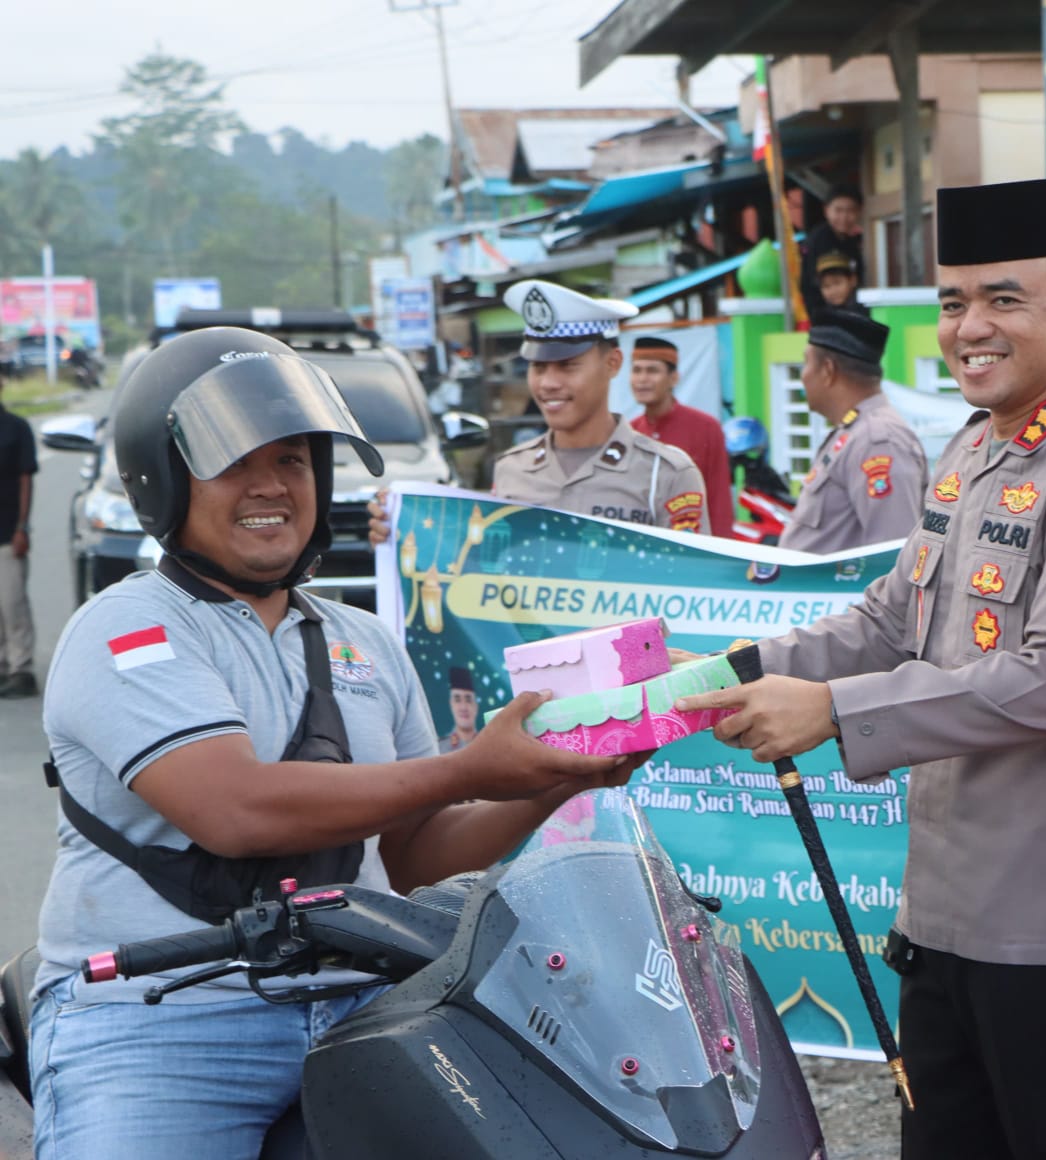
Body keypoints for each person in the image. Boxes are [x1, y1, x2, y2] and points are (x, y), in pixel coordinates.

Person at [28, 326, 643, 1159]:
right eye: (232, 462)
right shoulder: (129, 628)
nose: (270, 486)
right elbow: (235, 810)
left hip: (362, 1004)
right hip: (161, 1013)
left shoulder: (367, 643)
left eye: (292, 460)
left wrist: (553, 779)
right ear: (164, 481)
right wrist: (470, 768)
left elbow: (413, 856)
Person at [678, 178, 1046, 1159]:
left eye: (1002, 299)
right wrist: (727, 669)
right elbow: (890, 617)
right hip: (937, 917)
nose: (969, 327)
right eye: (952, 301)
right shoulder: (971, 446)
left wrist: (830, 710)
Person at [492, 280, 707, 533]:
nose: (548, 383)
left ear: (612, 363)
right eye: (538, 367)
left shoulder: (665, 475)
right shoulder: (511, 470)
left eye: (568, 365)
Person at [778, 309, 928, 554]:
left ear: (828, 370)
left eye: (806, 363)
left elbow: (892, 556)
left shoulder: (878, 441)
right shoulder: (855, 433)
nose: (802, 376)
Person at [628, 335, 735, 537]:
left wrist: (720, 550)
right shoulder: (629, 432)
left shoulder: (706, 428)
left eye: (652, 371)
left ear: (674, 378)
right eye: (636, 370)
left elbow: (719, 500)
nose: (642, 379)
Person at [0, 370, 37, 698]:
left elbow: (26, 479)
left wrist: (22, 527)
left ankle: (21, 669)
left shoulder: (16, 428)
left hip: (8, 533)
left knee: (12, 603)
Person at [799, 185, 866, 320]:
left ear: (859, 212)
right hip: (822, 314)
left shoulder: (851, 242)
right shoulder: (818, 240)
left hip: (848, 311)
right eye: (838, 210)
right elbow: (811, 284)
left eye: (850, 210)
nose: (844, 217)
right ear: (826, 210)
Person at [813, 251, 869, 318]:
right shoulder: (821, 317)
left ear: (853, 280)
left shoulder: (867, 312)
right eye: (826, 286)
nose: (833, 291)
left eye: (837, 283)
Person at [439, 664, 478, 751]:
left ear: (475, 706)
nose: (463, 707)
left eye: (468, 700)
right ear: (451, 704)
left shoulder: (488, 745)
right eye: (457, 700)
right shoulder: (440, 748)